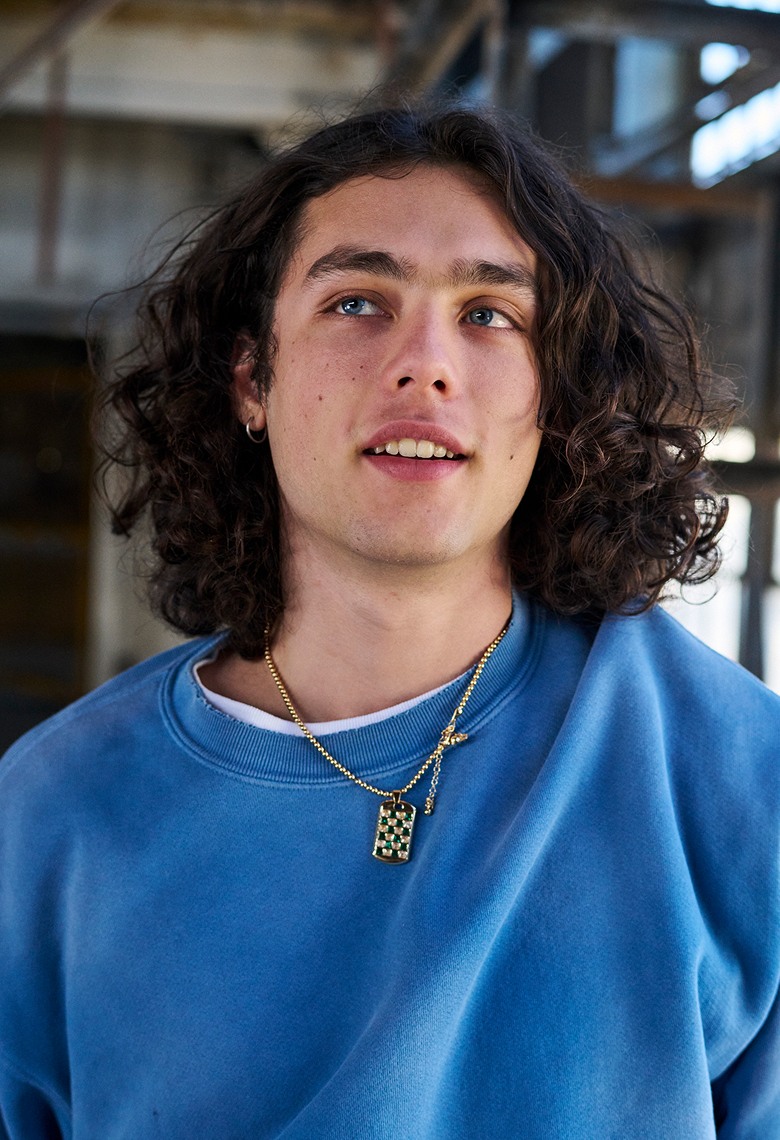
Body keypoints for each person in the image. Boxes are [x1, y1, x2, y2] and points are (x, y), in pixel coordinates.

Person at [1, 103, 778, 1140]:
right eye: (359, 302)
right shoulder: (51, 815)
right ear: (251, 379)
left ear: (556, 393)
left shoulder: (733, 781)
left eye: (491, 314)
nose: (426, 365)